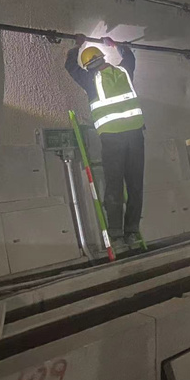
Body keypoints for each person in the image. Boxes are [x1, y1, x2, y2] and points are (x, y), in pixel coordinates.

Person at [65, 35, 145, 249]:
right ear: (103, 57)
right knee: (135, 186)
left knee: (114, 186)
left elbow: (70, 66)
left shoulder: (90, 80)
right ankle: (132, 232)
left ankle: (116, 235)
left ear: (88, 65)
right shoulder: (124, 72)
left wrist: (76, 44)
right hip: (136, 136)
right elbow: (130, 57)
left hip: (111, 139)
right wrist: (115, 44)